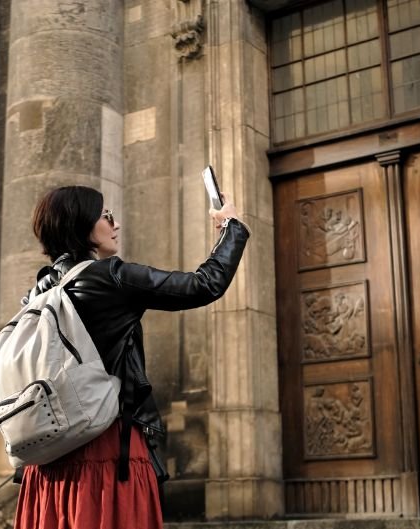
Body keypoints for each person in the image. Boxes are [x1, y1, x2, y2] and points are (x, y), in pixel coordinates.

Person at [13, 185, 249, 529]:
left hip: (47, 458)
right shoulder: (111, 277)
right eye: (106, 216)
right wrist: (231, 227)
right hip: (107, 452)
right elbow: (203, 284)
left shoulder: (38, 291)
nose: (116, 224)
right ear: (82, 226)